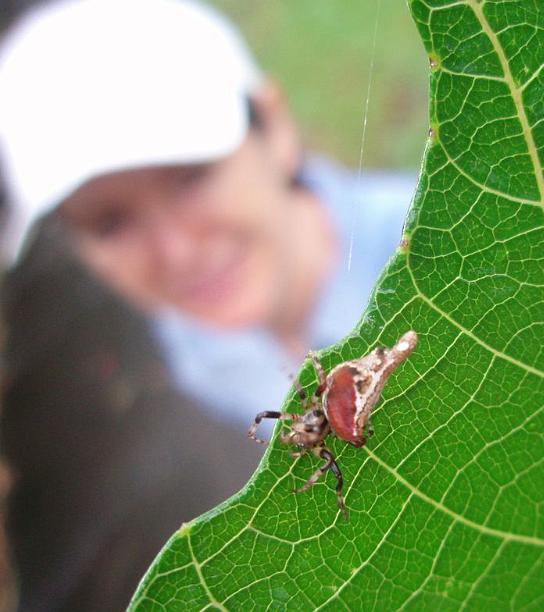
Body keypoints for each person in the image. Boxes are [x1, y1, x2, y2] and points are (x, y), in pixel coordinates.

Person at [0, 0, 416, 609]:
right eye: (111, 223)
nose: (176, 250)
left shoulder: (434, 243)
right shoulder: (179, 354)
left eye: (189, 176)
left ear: (274, 129)